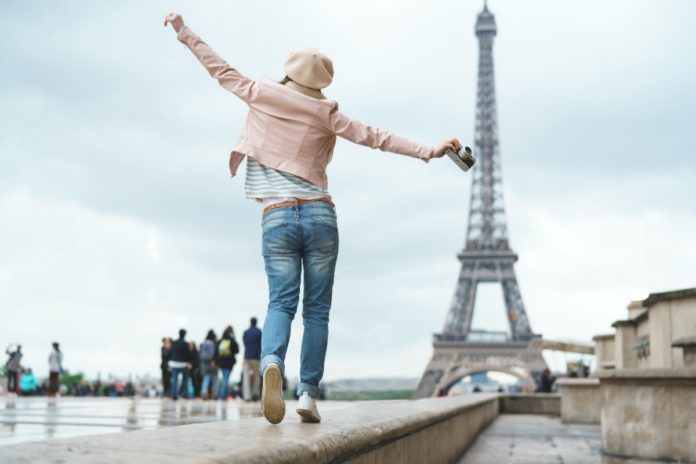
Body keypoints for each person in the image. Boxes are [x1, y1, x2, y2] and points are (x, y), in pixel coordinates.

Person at [164, 13, 459, 424]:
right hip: (321, 213)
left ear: (288, 73)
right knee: (317, 311)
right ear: (321, 82)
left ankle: (272, 361)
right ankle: (307, 395)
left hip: (277, 215)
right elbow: (378, 137)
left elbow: (218, 68)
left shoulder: (259, 92)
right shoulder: (328, 114)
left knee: (280, 302)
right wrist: (430, 149)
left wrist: (183, 31)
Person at [216, 326, 239, 400]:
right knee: (226, 378)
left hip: (221, 361)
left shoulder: (221, 340)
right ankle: (223, 396)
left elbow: (216, 351)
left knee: (224, 378)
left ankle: (223, 395)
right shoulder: (232, 340)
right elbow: (236, 350)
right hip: (230, 361)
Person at [168, 329, 192, 400]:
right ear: (185, 335)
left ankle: (174, 394)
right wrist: (189, 363)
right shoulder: (185, 344)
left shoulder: (174, 343)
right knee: (185, 380)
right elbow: (188, 354)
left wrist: (169, 363)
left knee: (174, 380)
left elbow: (170, 353)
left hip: (174, 363)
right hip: (183, 364)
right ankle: (185, 393)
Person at [242, 317, 262, 402]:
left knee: (246, 376)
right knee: (256, 376)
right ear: (256, 322)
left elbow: (244, 342)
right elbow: (261, 343)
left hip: (247, 356)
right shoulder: (259, 332)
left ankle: (247, 396)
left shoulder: (246, 332)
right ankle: (255, 394)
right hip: (256, 357)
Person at [199, 330, 218, 400]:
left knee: (206, 379)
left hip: (204, 363)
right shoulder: (214, 343)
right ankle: (215, 394)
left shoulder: (203, 343)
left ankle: (204, 393)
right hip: (213, 363)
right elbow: (215, 353)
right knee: (214, 379)